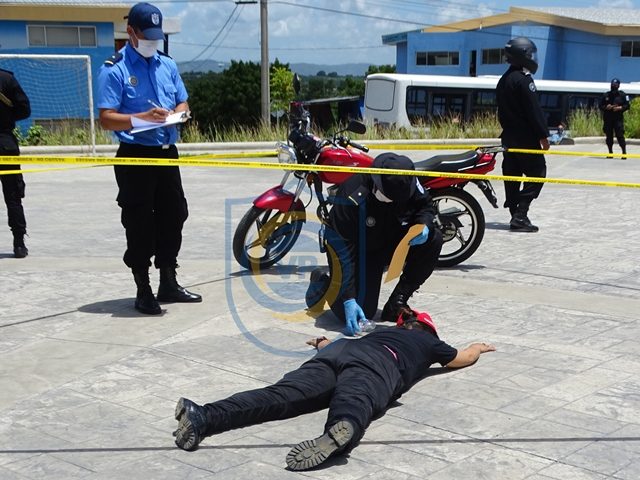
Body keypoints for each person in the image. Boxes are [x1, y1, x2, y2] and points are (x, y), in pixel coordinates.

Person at [172, 308, 496, 471]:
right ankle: (341, 431)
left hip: (339, 351)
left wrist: (322, 344)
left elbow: (335, 344)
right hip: (380, 362)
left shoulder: (381, 331)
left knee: (280, 395)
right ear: (428, 329)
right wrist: (478, 347)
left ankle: (204, 416)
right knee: (356, 397)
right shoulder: (429, 342)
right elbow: (462, 358)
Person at [97, 2, 201, 315]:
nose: (153, 42)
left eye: (157, 36)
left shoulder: (167, 64)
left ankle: (168, 280)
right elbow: (106, 118)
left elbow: (182, 101)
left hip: (167, 153)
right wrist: (140, 118)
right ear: (131, 32)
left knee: (174, 214)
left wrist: (179, 114)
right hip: (135, 156)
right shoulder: (114, 68)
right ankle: (142, 287)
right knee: (139, 220)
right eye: (147, 36)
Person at [307, 153, 443, 336]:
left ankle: (397, 302)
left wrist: (424, 224)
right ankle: (323, 282)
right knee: (362, 310)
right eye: (390, 198)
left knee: (434, 238)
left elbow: (425, 205)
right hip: (358, 250)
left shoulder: (406, 180)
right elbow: (343, 252)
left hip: (388, 240)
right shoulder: (351, 195)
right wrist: (348, 297)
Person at [496, 36, 549, 233]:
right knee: (538, 173)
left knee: (512, 176)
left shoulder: (504, 80)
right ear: (522, 55)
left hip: (508, 138)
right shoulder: (524, 80)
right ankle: (521, 213)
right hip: (526, 139)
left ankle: (514, 214)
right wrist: (543, 135)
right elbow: (533, 111)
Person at [0, 68, 31, 258]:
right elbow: (24, 109)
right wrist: (7, 117)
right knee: (13, 196)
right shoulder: (6, 78)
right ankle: (19, 243)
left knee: (13, 195)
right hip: (5, 143)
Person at [600, 78, 630, 159]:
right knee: (609, 136)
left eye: (615, 85)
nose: (613, 86)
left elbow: (627, 105)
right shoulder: (606, 95)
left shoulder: (623, 95)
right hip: (608, 119)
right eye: (612, 84)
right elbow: (600, 106)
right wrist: (607, 107)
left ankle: (624, 152)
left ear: (618, 86)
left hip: (618, 119)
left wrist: (620, 108)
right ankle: (610, 152)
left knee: (620, 135)